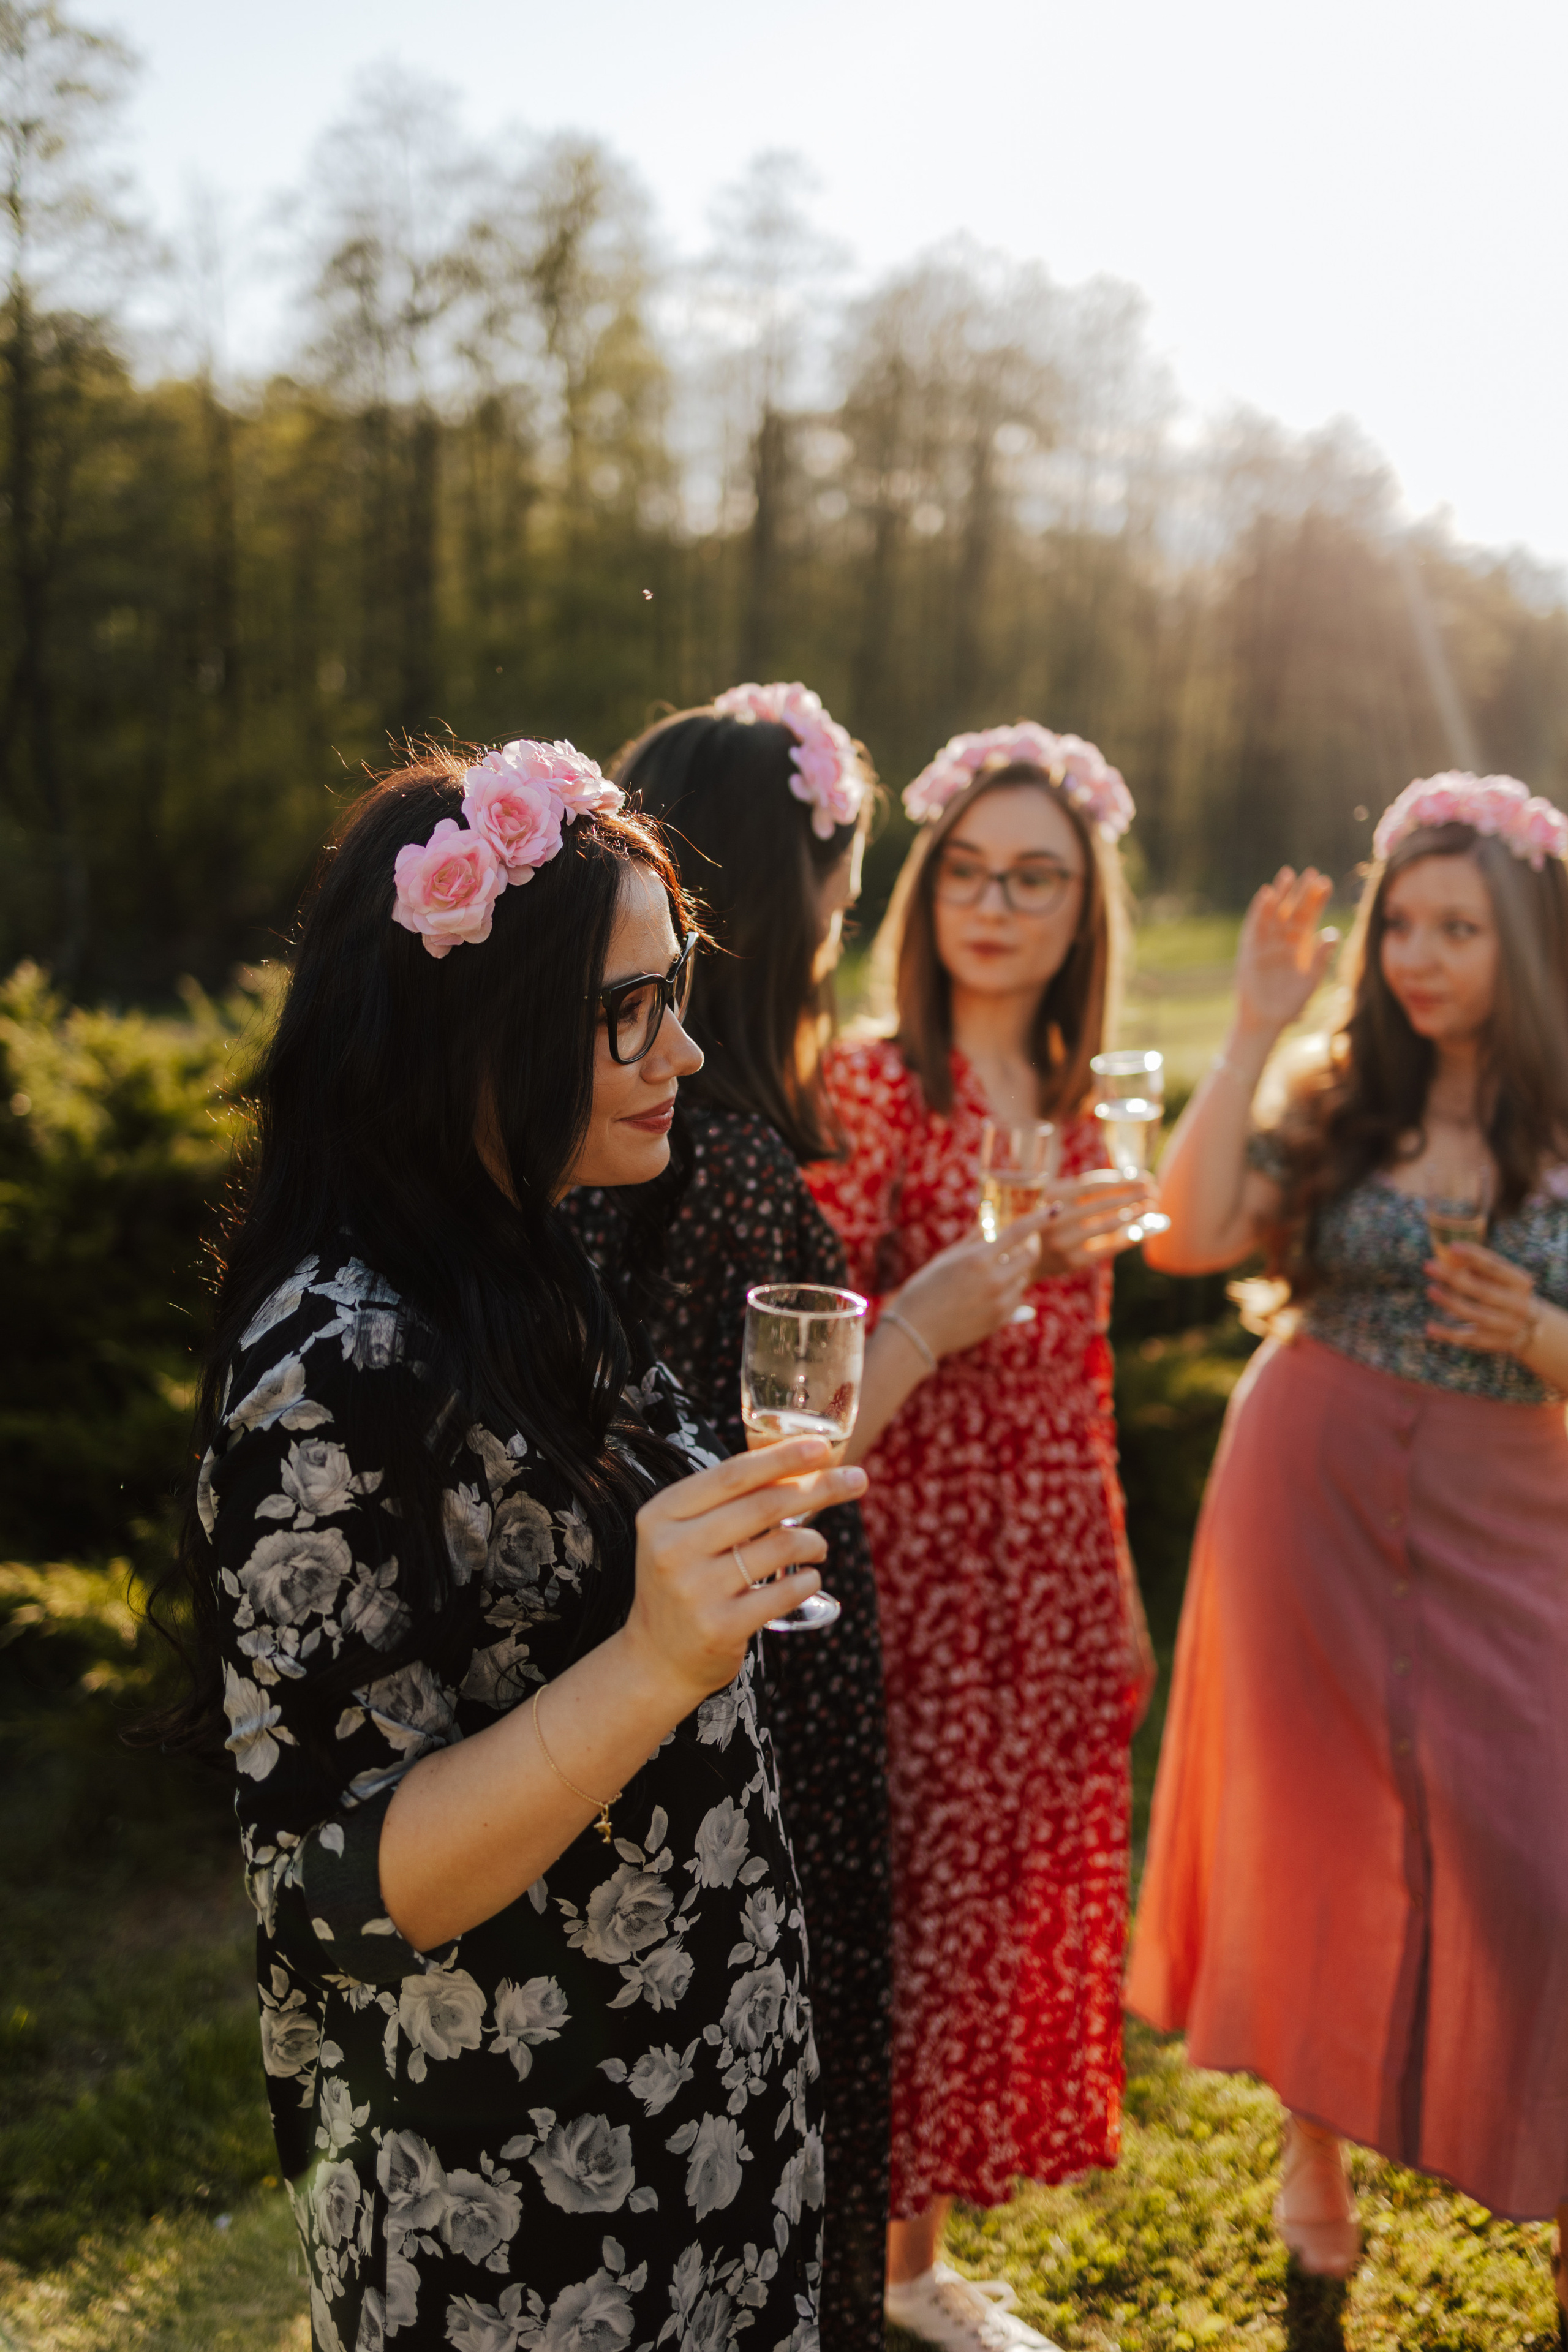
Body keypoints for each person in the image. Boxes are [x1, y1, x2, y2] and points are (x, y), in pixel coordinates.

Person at [152, 737, 871, 2352]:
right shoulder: (332, 1365)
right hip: (529, 2210)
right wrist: (657, 1659)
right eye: (630, 1008)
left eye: (674, 988)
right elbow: (337, 1893)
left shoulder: (531, 1247)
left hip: (704, 2104)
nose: (685, 1047)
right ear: (467, 1025)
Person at [567, 683, 1058, 2352]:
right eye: (844, 895)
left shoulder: (642, 1116)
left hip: (727, 1635)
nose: (853, 927)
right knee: (797, 2061)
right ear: (797, 897)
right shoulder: (723, 1149)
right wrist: (920, 1315)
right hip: (761, 1648)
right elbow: (749, 1445)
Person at [1126, 772, 1568, 2299]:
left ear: (1527, 939)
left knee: (1536, 1860)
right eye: (1402, 925)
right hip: (1299, 1491)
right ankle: (1309, 2158)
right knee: (1309, 1838)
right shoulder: (1336, 1100)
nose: (1419, 956)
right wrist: (1253, 1022)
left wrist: (1549, 1338)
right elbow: (1183, 1238)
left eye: (1459, 927)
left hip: (1510, 1517)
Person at [805, 722, 1157, 2351]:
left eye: (1037, 878)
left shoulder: (1090, 1102)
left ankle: (907, 2257)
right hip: (922, 1557)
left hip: (1052, 1546)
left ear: (1086, 908)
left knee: (1004, 1897)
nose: (997, 904)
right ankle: (884, 2270)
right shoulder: (872, 1078)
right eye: (968, 870)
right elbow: (814, 1354)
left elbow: (1082, 1371)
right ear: (925, 887)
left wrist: (1113, 1579)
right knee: (918, 1904)